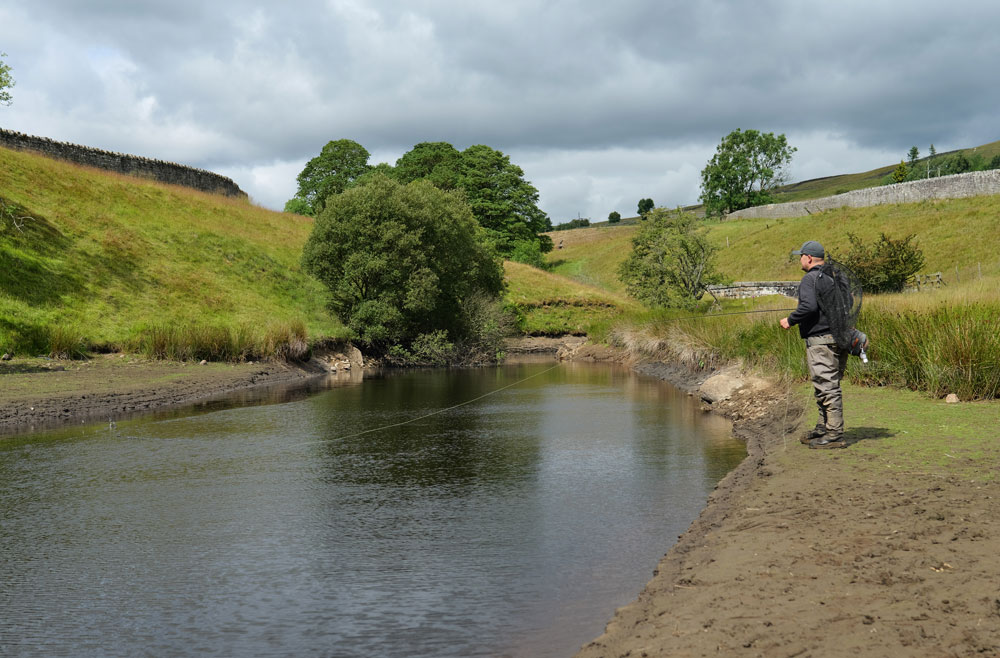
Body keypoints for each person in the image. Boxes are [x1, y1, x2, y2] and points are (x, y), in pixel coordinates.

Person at [779, 240, 849, 449]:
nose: (799, 259)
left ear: (808, 258)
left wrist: (790, 320)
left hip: (821, 342)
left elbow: (809, 307)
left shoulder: (810, 279)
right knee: (824, 385)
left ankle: (834, 434)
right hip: (839, 339)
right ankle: (823, 427)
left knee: (827, 387)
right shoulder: (831, 278)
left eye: (800, 256)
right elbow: (848, 302)